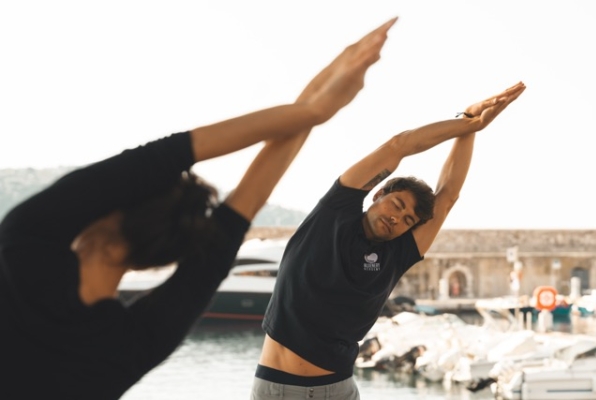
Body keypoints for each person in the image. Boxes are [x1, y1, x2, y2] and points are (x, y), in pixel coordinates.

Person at [0, 17, 398, 400]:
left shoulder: (23, 246)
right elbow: (239, 211)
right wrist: (316, 111)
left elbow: (163, 155)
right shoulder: (131, 346)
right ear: (146, 260)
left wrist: (314, 110)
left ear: (108, 214)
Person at [251, 81, 526, 399]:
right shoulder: (334, 215)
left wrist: (471, 131)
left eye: (408, 219)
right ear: (378, 193)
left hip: (339, 389)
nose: (398, 218)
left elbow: (448, 195)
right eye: (397, 205)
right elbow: (399, 145)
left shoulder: (398, 253)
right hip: (278, 388)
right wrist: (467, 120)